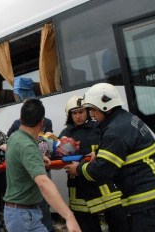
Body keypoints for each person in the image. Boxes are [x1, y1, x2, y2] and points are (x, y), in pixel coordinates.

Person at [65, 83, 155, 232]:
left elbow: (102, 170)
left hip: (150, 200)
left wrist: (79, 168)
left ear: (105, 108)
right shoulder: (126, 119)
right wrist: (100, 152)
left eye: (93, 109)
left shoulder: (114, 131)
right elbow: (124, 148)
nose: (92, 114)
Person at [3, 98, 81, 232]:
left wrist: (39, 157)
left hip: (20, 213)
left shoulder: (15, 137)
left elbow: (20, 154)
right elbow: (44, 183)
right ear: (42, 122)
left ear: (21, 119)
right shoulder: (28, 146)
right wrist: (69, 217)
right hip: (24, 217)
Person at [59, 95, 128, 232]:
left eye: (81, 112)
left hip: (104, 188)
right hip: (79, 191)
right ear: (69, 115)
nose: (78, 116)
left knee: (119, 225)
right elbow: (59, 158)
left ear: (88, 112)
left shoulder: (100, 128)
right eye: (74, 113)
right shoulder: (65, 134)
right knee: (87, 226)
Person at [7, 116, 55, 232]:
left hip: (26, 210)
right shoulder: (21, 141)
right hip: (22, 210)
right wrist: (68, 215)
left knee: (44, 207)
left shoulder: (18, 138)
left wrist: (41, 155)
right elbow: (44, 184)